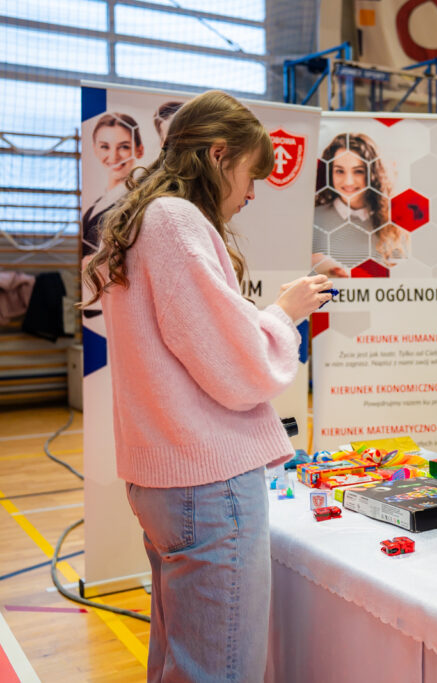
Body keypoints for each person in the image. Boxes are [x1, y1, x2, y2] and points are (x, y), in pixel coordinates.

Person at [81, 90, 334, 680]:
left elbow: (193, 344)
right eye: (251, 175)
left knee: (183, 660)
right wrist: (285, 314)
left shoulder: (143, 219)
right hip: (207, 482)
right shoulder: (175, 220)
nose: (252, 194)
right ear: (219, 154)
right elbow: (238, 369)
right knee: (219, 670)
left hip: (167, 478)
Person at [313, 132, 406, 273]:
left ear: (372, 173)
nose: (348, 181)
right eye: (339, 171)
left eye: (358, 171)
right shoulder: (314, 219)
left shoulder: (392, 225)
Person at [82, 112, 146, 257]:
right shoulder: (95, 206)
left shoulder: (137, 203)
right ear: (95, 149)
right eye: (105, 147)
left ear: (139, 150)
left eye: (124, 147)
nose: (114, 156)